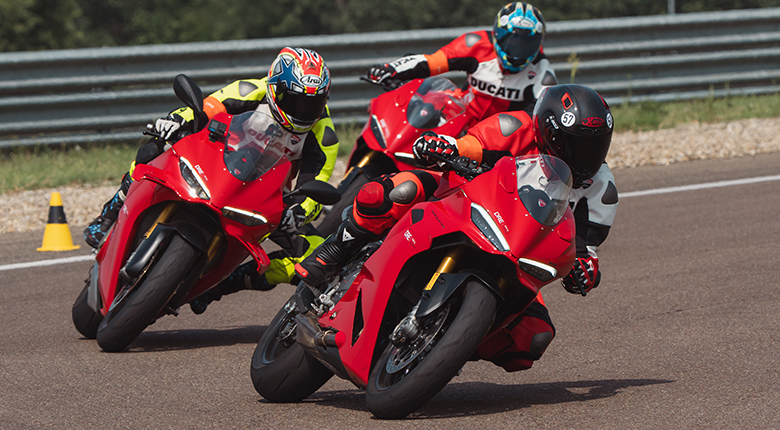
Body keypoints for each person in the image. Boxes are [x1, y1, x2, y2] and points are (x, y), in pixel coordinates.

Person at [295, 84, 618, 372]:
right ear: (547, 131)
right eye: (575, 144)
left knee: (533, 338)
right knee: (393, 192)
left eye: (595, 146)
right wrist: (444, 147)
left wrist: (585, 270)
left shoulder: (602, 189)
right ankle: (336, 249)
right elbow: (469, 145)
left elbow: (583, 248)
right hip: (460, 202)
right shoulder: (515, 127)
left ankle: (444, 342)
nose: (586, 156)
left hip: (514, 253)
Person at [82, 47, 340, 314]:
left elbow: (314, 188)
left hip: (263, 199)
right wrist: (175, 121)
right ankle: (110, 212)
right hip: (216, 165)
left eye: (313, 104)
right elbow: (205, 108)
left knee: (314, 252)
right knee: (155, 147)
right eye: (295, 101)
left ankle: (224, 284)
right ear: (275, 88)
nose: (303, 111)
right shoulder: (249, 91)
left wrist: (298, 213)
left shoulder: (325, 136)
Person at [366, 2, 557, 126]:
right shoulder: (475, 44)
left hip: (497, 139)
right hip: (457, 118)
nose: (518, 49)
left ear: (539, 42)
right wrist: (391, 69)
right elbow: (431, 61)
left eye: (527, 43)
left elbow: (537, 119)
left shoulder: (543, 73)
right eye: (512, 41)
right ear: (497, 34)